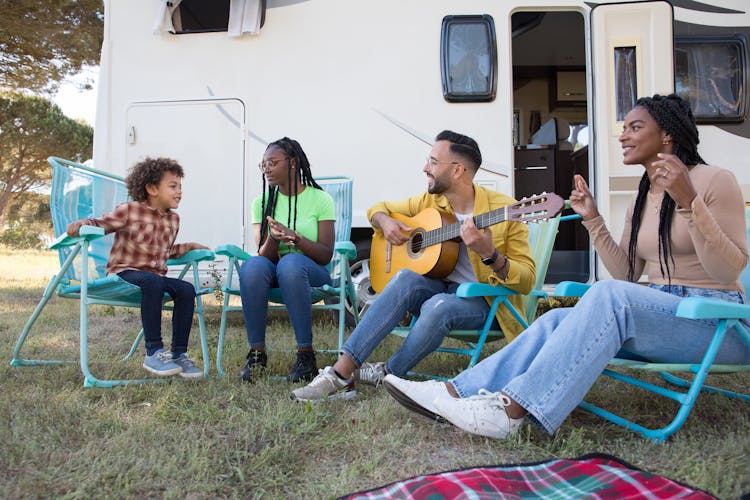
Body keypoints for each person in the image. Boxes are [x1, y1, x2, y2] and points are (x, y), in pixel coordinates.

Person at [383, 93, 750, 439]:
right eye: (625, 127)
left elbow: (727, 271)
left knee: (610, 296)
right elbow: (626, 275)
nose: (623, 135)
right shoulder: (645, 194)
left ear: (667, 134)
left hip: (719, 324)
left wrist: (689, 201)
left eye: (635, 127)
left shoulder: (713, 180)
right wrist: (593, 220)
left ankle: (508, 413)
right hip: (661, 316)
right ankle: (452, 392)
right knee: (555, 320)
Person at [292, 130, 536, 402]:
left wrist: (490, 254)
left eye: (432, 162)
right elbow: (378, 208)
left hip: (487, 302)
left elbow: (526, 281)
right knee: (406, 278)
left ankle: (389, 372)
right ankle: (340, 374)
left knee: (437, 305)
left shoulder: (506, 210)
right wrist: (385, 221)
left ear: (457, 171)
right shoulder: (432, 202)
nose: (424, 168)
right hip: (443, 287)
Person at [66, 157, 208, 378]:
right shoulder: (130, 210)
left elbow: (163, 250)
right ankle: (153, 352)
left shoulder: (174, 220)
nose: (179, 191)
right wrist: (83, 224)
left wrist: (187, 246)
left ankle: (179, 354)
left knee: (186, 289)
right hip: (124, 273)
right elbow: (102, 224)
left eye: (180, 187)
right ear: (152, 188)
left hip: (153, 278)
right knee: (153, 281)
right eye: (173, 186)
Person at [238, 137, 336, 383]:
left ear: (292, 163)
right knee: (252, 266)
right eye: (263, 164)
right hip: (275, 270)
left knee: (290, 264)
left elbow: (326, 254)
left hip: (312, 272)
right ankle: (257, 355)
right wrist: (273, 237)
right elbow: (263, 254)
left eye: (273, 162)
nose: (266, 169)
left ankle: (306, 355)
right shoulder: (262, 202)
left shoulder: (320, 199)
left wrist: (296, 238)